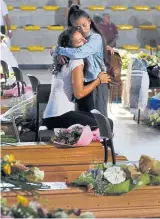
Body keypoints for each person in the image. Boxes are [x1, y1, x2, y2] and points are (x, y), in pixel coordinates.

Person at [43, 27, 113, 130]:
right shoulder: (76, 60)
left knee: (107, 122)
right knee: (105, 125)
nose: (85, 41)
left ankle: (104, 146)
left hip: (53, 115)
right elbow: (79, 94)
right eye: (80, 41)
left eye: (83, 38)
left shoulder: (62, 58)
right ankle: (103, 146)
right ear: (71, 47)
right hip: (59, 116)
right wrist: (99, 80)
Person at [51, 5, 113, 117]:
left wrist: (59, 50)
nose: (83, 30)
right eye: (78, 28)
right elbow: (53, 49)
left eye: (84, 25)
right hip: (82, 84)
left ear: (89, 21)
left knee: (98, 121)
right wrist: (57, 52)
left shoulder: (95, 38)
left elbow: (78, 53)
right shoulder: (75, 38)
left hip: (97, 83)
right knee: (83, 122)